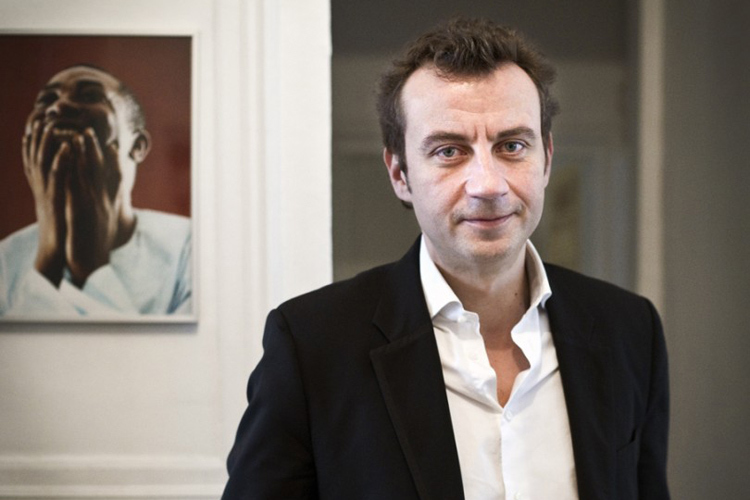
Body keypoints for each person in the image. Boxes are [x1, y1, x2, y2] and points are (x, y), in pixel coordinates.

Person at [223, 18, 669, 499]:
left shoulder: (630, 331)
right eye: (450, 151)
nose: (488, 185)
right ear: (400, 174)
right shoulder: (313, 346)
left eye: (512, 146)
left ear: (546, 159)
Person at [0, 65, 191, 317]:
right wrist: (47, 260)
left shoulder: (188, 247)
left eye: (91, 96)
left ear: (138, 146)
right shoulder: (6, 259)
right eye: (47, 100)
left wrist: (91, 268)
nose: (58, 107)